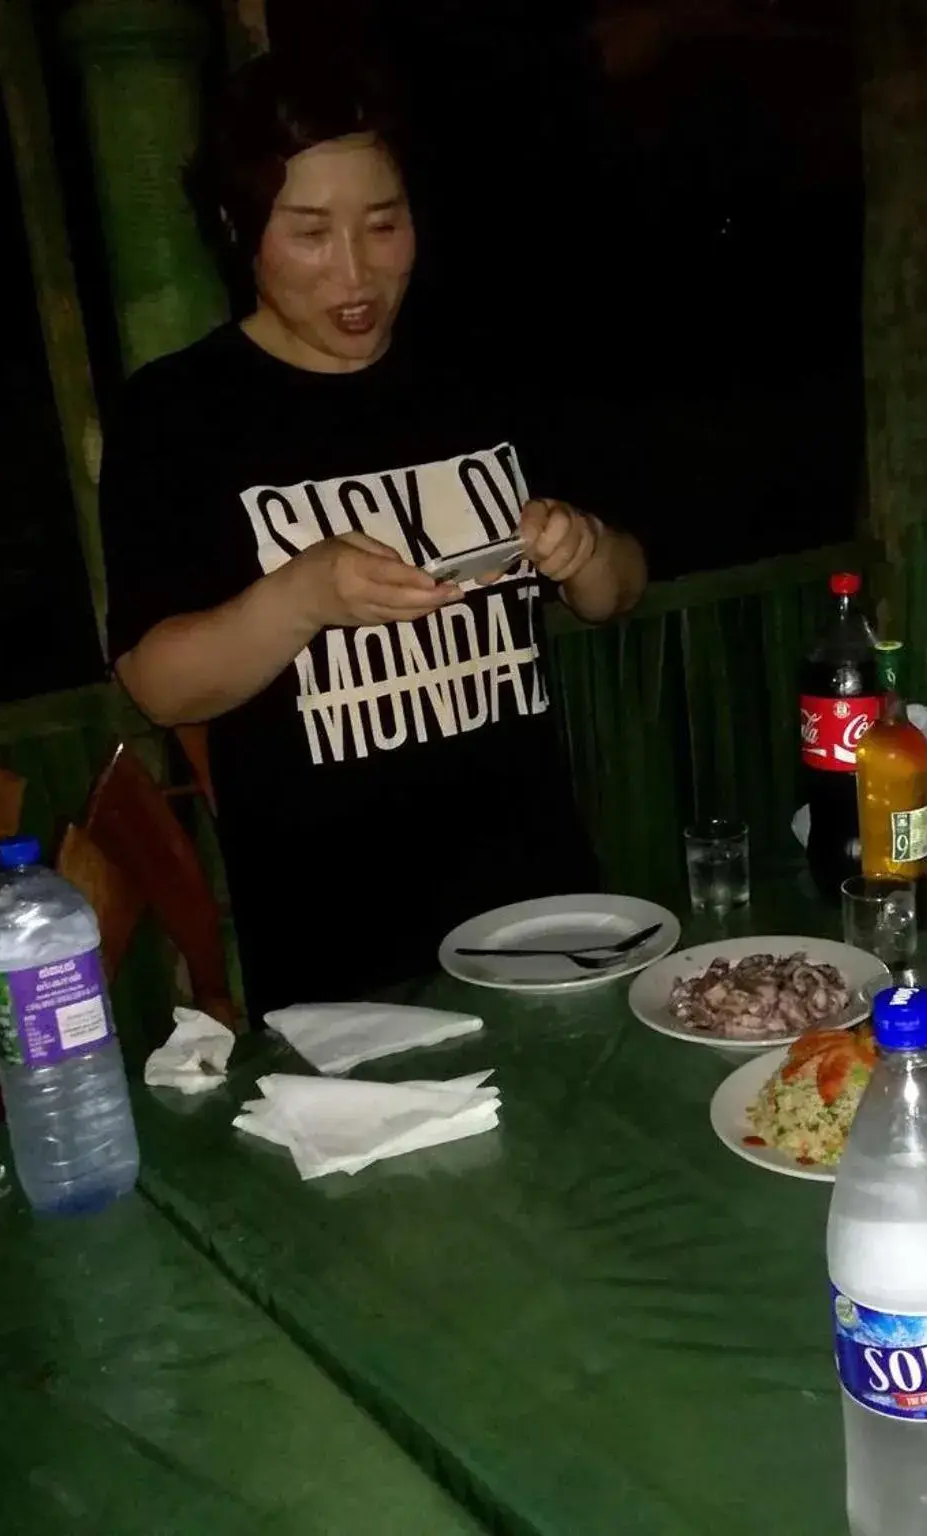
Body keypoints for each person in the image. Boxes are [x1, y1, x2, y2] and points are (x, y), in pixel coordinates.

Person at [100, 51, 647, 1018]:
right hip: (339, 951)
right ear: (239, 230)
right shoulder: (180, 413)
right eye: (309, 233)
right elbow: (156, 683)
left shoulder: (479, 377)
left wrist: (585, 547)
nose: (354, 273)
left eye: (382, 225)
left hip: (546, 909)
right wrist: (302, 596)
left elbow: (618, 591)